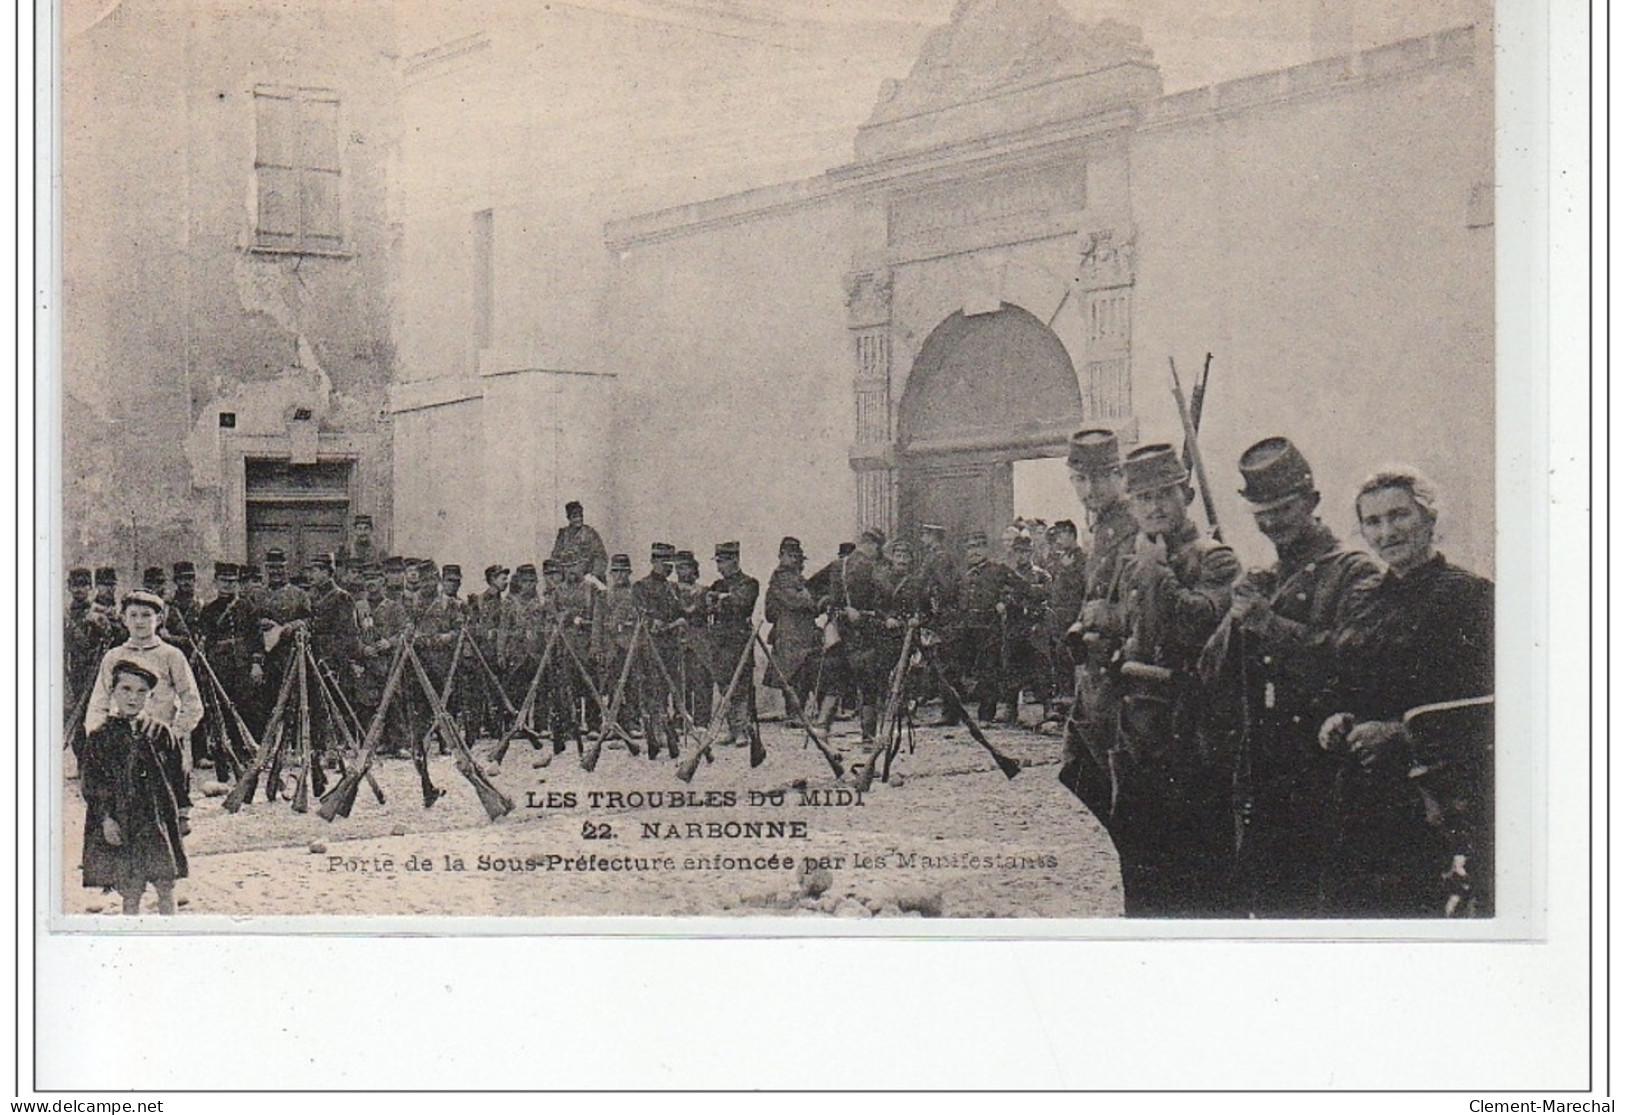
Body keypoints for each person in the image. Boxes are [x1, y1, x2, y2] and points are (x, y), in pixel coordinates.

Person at [1198, 437, 1384, 916]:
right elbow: (1211, 672)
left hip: (1325, 772)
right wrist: (1235, 620)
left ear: (1312, 502)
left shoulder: (1352, 572)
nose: (1272, 522)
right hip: (1265, 772)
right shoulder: (1266, 576)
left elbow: (1354, 664)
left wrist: (1269, 624)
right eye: (1262, 512)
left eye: (1283, 508)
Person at [1074, 444, 1240, 916]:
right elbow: (1128, 625)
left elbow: (1196, 622)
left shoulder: (1216, 559)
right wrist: (1102, 617)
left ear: (1185, 495)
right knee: (1142, 864)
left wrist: (1154, 570)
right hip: (1136, 733)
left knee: (1200, 869)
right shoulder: (1134, 558)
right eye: (1143, 498)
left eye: (1164, 494)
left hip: (1191, 734)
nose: (1154, 507)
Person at [1320, 468, 1495, 917]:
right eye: (1373, 522)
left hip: (1433, 802)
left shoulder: (1471, 596)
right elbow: (1345, 681)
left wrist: (1400, 732)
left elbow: (1490, 710)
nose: (1387, 531)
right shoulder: (1361, 597)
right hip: (1359, 797)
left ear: (1428, 518)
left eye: (1399, 515)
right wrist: (1338, 716)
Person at [84, 590, 205, 831]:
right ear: (123, 619)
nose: (140, 621)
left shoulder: (171, 655)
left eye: (146, 615)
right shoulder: (114, 656)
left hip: (161, 743)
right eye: (134, 615)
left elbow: (192, 701)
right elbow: (99, 700)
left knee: (164, 808)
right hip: (123, 741)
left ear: (159, 619)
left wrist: (174, 733)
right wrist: (97, 734)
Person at [78, 661, 189, 915]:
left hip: (159, 820)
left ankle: (169, 934)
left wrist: (183, 814)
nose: (132, 697)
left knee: (165, 881)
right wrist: (106, 819)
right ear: (113, 692)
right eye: (126, 689)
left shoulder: (161, 733)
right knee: (131, 887)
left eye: (141, 692)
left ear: (150, 696)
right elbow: (93, 785)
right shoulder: (100, 737)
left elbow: (178, 776)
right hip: (123, 821)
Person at [631, 543, 685, 760]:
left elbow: (680, 612)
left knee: (670, 688)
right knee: (653, 689)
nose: (669, 568)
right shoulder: (641, 587)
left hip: (670, 647)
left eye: (671, 564)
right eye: (664, 563)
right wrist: (672, 623)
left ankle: (667, 729)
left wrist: (680, 621)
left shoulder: (673, 588)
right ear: (653, 562)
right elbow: (649, 619)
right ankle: (655, 732)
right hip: (649, 646)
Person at [706, 541, 760, 746]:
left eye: (722, 562)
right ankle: (732, 728)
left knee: (740, 685)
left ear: (734, 561)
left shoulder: (749, 583)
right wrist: (720, 599)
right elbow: (707, 605)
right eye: (717, 562)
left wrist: (721, 600)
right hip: (719, 642)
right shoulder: (717, 585)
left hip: (738, 642)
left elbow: (741, 604)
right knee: (724, 684)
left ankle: (742, 731)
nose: (718, 567)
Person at [762, 537, 820, 728]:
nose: (795, 560)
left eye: (797, 556)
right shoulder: (782, 577)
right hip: (790, 630)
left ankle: (798, 712)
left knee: (801, 669)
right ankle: (794, 712)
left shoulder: (795, 577)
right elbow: (796, 601)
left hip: (800, 630)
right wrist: (814, 600)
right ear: (781, 556)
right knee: (792, 671)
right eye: (791, 556)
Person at [551, 501, 609, 582]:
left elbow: (601, 557)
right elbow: (555, 558)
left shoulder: (590, 534)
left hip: (587, 578)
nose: (579, 519)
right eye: (575, 516)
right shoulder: (563, 535)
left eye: (580, 516)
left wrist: (593, 574)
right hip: (568, 580)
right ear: (569, 518)